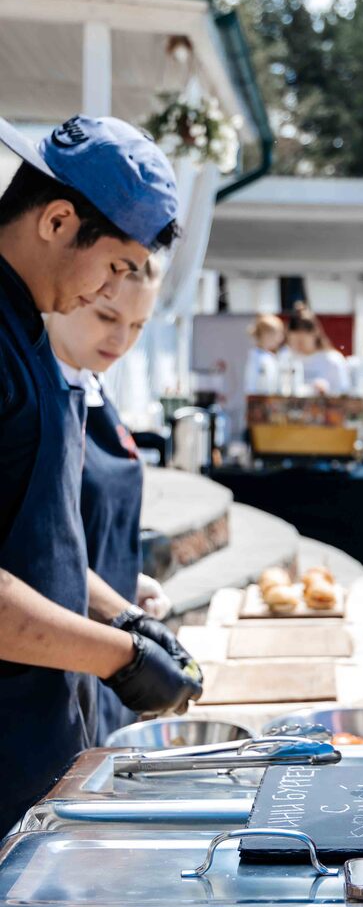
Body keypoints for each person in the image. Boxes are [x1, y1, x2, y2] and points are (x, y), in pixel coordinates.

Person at [0, 114, 203, 836]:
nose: (109, 290)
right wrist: (121, 657)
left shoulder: (24, 327)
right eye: (115, 267)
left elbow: (38, 539)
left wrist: (123, 616)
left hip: (37, 753)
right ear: (58, 220)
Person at [46, 254, 169, 741]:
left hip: (112, 659)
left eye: (139, 325)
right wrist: (121, 609)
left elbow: (82, 525)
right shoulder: (40, 401)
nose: (122, 341)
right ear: (69, 297)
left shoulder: (92, 386)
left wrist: (126, 579)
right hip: (65, 665)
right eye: (107, 317)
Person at [286, 300, 350, 395]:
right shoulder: (286, 357)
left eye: (302, 340)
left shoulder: (332, 360)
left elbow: (343, 392)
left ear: (314, 334)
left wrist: (325, 390)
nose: (298, 345)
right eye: (294, 341)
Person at [243, 312, 287, 394]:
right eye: (278, 334)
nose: (281, 339)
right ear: (267, 335)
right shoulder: (258, 358)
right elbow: (253, 386)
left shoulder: (269, 357)